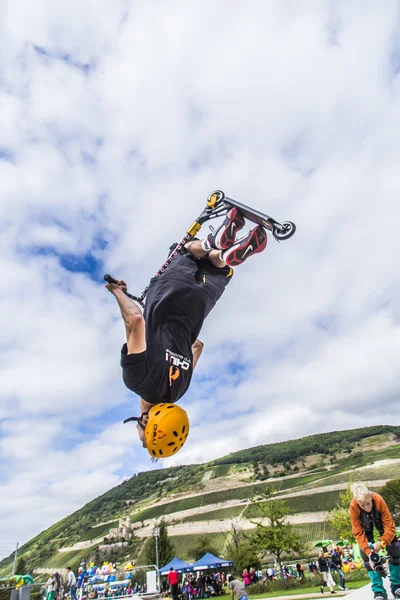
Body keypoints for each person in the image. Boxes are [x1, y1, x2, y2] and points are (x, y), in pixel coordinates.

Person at [106, 207, 268, 459]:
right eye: (143, 439)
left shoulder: (179, 387)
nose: (140, 441)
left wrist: (173, 341)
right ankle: (214, 241)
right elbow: (136, 320)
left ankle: (225, 252)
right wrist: (117, 292)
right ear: (147, 422)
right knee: (185, 249)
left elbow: (197, 346)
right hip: (169, 294)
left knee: (217, 263)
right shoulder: (138, 380)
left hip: (202, 301)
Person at [350, 482, 400, 600]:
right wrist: (369, 552)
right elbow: (358, 532)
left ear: (371, 498)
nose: (366, 507)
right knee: (365, 554)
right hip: (365, 526)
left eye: (368, 503)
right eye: (362, 505)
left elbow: (389, 526)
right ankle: (379, 591)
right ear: (357, 503)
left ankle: (396, 585)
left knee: (396, 548)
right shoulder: (353, 507)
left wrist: (382, 542)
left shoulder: (378, 500)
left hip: (381, 523)